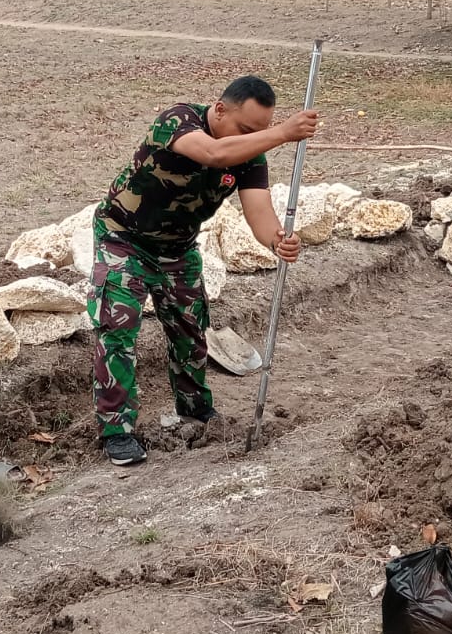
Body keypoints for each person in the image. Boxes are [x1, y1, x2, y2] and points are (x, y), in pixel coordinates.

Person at [89, 76, 319, 466]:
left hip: (178, 248)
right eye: (246, 129)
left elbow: (259, 212)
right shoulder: (177, 121)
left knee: (190, 331)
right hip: (124, 238)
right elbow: (214, 154)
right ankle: (117, 430)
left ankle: (194, 407)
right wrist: (282, 134)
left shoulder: (250, 156)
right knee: (118, 329)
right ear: (219, 109)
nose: (253, 139)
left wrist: (277, 240)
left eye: (258, 132)